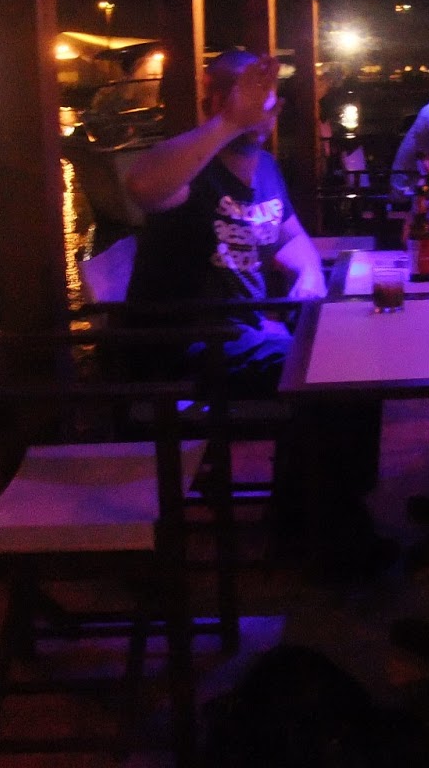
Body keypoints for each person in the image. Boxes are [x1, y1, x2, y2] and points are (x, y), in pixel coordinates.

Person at [122, 49, 386, 571]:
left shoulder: (265, 168)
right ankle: (324, 538)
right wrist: (229, 123)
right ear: (213, 103)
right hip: (187, 349)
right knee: (333, 379)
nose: (256, 108)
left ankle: (312, 519)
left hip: (245, 336)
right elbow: (141, 186)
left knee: (356, 364)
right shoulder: (191, 170)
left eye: (262, 98)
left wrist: (309, 275)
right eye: (238, 97)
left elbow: (291, 240)